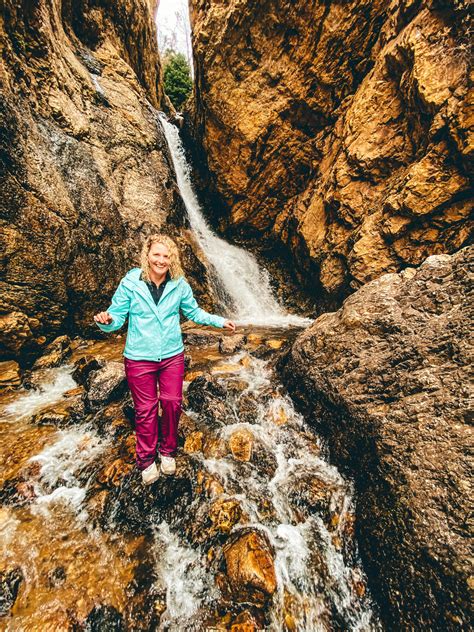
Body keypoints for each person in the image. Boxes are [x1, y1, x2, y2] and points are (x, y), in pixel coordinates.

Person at [94, 234, 236, 485]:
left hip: (172, 355)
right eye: (156, 255)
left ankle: (167, 451)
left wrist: (219, 321)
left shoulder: (179, 284)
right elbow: (116, 316)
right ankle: (146, 460)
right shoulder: (131, 282)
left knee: (172, 401)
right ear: (147, 256)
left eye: (166, 256)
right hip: (139, 357)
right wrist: (106, 322)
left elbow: (194, 312)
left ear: (172, 259)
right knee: (146, 410)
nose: (161, 260)